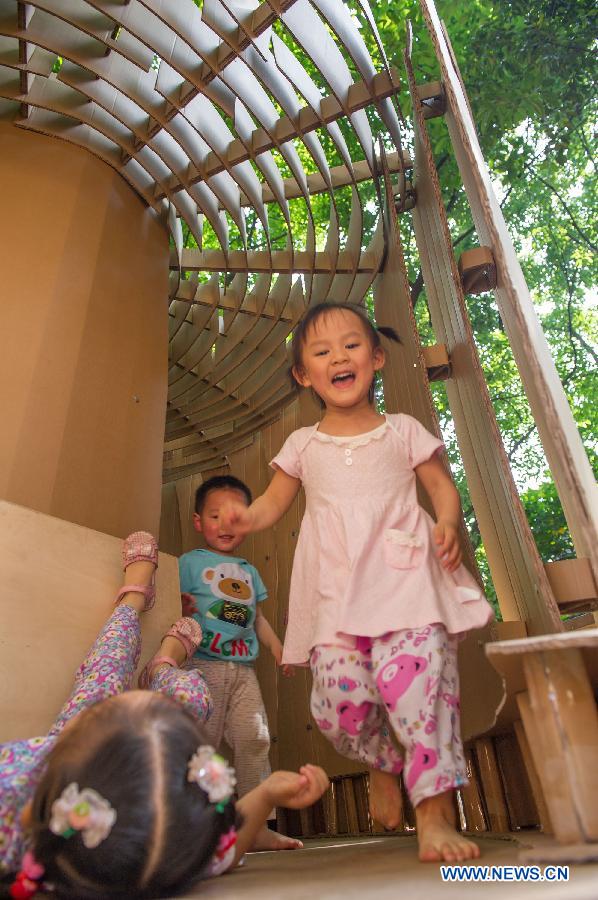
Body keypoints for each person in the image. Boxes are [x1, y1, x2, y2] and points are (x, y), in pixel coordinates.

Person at [217, 301, 495, 864]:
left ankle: (436, 814)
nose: (338, 357)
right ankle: (383, 762)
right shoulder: (302, 445)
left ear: (376, 357)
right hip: (336, 597)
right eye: (321, 352)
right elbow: (273, 501)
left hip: (406, 581)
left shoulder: (403, 431)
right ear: (304, 374)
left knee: (422, 693)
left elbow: (442, 486)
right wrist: (248, 517)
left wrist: (445, 520)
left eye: (350, 345)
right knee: (337, 706)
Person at [0, 532, 329, 899]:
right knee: (194, 698)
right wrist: (265, 794)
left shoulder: (12, 788)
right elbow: (224, 849)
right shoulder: (164, 842)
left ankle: (133, 600)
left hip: (49, 760)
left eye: (117, 714)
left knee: (106, 670)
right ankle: (162, 666)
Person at [179, 475, 299, 853]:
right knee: (204, 746)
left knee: (255, 738)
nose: (224, 525)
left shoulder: (249, 571)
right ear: (199, 522)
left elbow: (255, 617)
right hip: (202, 666)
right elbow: (174, 601)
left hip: (243, 671)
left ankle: (255, 825)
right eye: (215, 516)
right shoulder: (189, 563)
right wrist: (180, 608)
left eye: (234, 517)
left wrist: (279, 648)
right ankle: (197, 826)